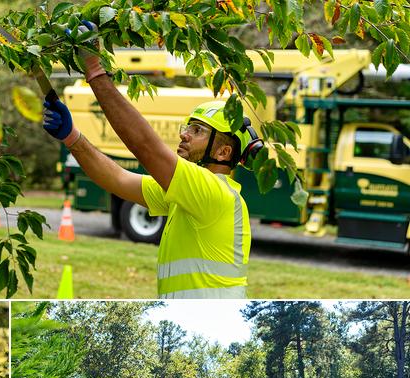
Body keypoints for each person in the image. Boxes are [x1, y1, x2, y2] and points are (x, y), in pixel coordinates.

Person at [42, 24, 263, 298]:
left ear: (223, 153)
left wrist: (95, 71)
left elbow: (145, 146)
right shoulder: (189, 195)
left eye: (197, 131)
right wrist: (72, 137)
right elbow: (119, 179)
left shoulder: (213, 193)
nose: (184, 134)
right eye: (188, 127)